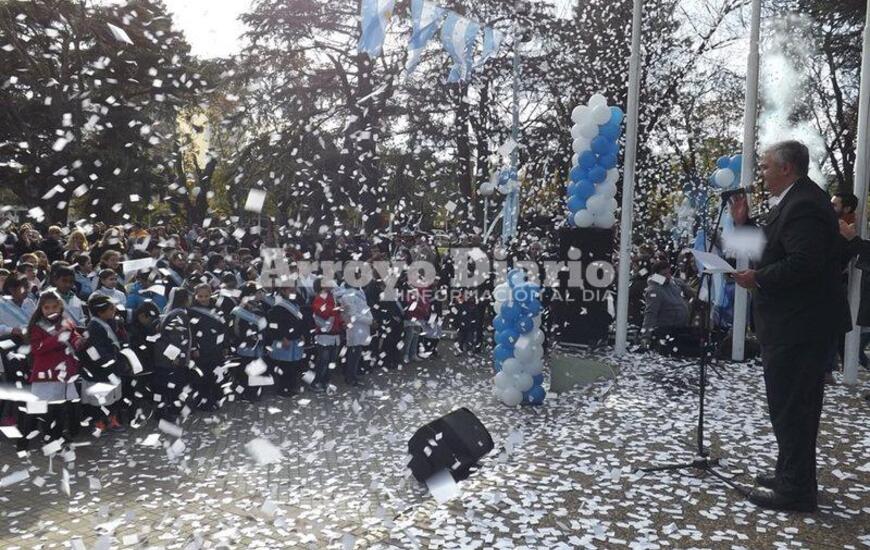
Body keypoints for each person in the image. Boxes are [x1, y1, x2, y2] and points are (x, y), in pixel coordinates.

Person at [730, 140, 850, 512]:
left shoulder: (803, 206)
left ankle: (796, 490)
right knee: (789, 406)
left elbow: (804, 262)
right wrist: (744, 224)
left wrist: (758, 278)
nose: (761, 175)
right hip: (797, 324)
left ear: (787, 168)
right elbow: (775, 247)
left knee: (794, 407)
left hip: (801, 326)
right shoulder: (797, 200)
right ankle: (791, 473)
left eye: (765, 167)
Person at [25, 290, 84, 451]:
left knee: (60, 408)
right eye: (46, 308)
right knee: (46, 410)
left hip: (64, 373)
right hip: (47, 375)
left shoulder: (65, 321)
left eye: (54, 307)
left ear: (60, 307)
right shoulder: (38, 326)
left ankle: (58, 435)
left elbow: (73, 335)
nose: (51, 311)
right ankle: (48, 438)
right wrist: (57, 337)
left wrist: (77, 340)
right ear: (41, 309)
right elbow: (37, 349)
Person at [81, 294, 127, 433]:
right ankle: (99, 422)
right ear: (100, 312)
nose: (114, 311)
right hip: (99, 368)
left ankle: (112, 420)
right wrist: (107, 362)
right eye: (111, 309)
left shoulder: (110, 322)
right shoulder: (93, 327)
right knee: (100, 398)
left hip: (112, 365)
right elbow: (95, 349)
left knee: (113, 396)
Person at [187, 283, 229, 411]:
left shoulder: (217, 309)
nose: (203, 299)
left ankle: (216, 399)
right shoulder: (191, 311)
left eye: (206, 296)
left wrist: (225, 345)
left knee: (216, 374)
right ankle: (204, 402)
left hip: (216, 348)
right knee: (202, 377)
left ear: (211, 295)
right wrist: (194, 348)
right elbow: (190, 332)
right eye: (200, 296)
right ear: (195, 296)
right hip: (201, 350)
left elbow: (224, 329)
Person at [153, 289, 192, 422]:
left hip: (164, 356)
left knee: (168, 385)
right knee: (166, 386)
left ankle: (171, 409)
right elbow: (175, 337)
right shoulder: (179, 314)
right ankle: (162, 413)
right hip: (169, 358)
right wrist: (175, 357)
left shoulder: (169, 310)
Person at [265, 284, 306, 395]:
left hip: (295, 339)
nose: (293, 292)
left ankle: (291, 387)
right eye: (290, 290)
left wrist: (301, 333)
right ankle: (282, 389)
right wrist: (282, 337)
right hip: (285, 340)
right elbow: (274, 325)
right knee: (284, 366)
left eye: (294, 290)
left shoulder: (295, 303)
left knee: (293, 365)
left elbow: (299, 321)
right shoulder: (278, 306)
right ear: (283, 291)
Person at [311, 278, 343, 392]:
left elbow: (336, 314)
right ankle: (316, 383)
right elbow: (322, 312)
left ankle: (325, 382)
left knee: (331, 362)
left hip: (335, 333)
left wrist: (341, 322)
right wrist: (337, 309)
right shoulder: (318, 298)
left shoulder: (333, 296)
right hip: (324, 335)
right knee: (323, 362)